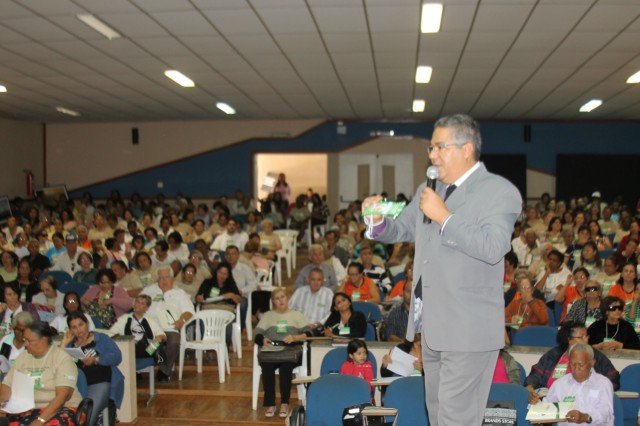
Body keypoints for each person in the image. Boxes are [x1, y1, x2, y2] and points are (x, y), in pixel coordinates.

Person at [362, 114, 522, 425]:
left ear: (466, 149)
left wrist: (445, 217)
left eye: (439, 147)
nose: (432, 155)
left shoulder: (498, 190)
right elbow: (401, 229)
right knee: (438, 416)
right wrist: (376, 222)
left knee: (455, 419)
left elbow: (493, 247)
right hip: (430, 326)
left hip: (469, 329)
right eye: (431, 147)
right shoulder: (429, 186)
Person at [0, 320, 83, 425]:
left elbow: (63, 396)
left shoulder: (62, 358)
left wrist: (40, 420)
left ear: (43, 340)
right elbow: (7, 386)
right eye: (25, 340)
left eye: (29, 341)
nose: (25, 344)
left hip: (63, 408)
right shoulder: (23, 357)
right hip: (28, 409)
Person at [253, 288, 310, 418]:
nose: (280, 300)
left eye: (282, 297)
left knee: (286, 368)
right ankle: (270, 404)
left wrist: (295, 338)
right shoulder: (268, 315)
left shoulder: (297, 315)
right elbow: (257, 333)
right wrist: (263, 339)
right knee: (266, 367)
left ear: (287, 297)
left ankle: (284, 402)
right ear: (273, 301)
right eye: (277, 298)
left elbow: (308, 333)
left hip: (290, 350)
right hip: (271, 350)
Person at [60, 311, 124, 426]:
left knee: (87, 416)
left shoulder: (101, 338)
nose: (79, 330)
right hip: (77, 386)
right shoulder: (71, 346)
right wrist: (64, 344)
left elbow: (117, 356)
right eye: (74, 327)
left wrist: (96, 360)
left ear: (87, 324)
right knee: (70, 416)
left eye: (81, 325)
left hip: (100, 381)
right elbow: (56, 363)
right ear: (70, 330)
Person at [524, 320, 619, 397]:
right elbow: (536, 373)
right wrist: (530, 386)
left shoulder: (595, 356)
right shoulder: (554, 354)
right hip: (551, 399)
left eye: (586, 336)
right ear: (569, 340)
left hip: (584, 401)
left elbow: (612, 378)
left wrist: (593, 391)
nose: (586, 340)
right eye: (581, 337)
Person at [528, 343, 614, 426]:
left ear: (592, 363)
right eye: (572, 364)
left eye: (581, 365)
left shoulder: (603, 383)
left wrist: (586, 417)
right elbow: (547, 408)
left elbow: (606, 413)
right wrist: (535, 402)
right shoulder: (560, 384)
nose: (576, 368)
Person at [140, 266, 194, 382]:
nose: (164, 280)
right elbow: (137, 307)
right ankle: (138, 368)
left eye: (167, 277)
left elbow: (189, 311)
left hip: (169, 328)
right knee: (141, 341)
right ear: (157, 280)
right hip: (149, 328)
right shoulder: (148, 291)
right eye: (161, 278)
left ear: (172, 279)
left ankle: (164, 370)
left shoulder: (179, 293)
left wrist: (182, 321)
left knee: (174, 341)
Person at [110, 295, 166, 359]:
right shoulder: (124, 318)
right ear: (134, 304)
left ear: (146, 308)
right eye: (137, 302)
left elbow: (162, 334)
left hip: (146, 349)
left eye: (142, 303)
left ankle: (153, 357)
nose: (138, 305)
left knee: (159, 341)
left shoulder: (150, 320)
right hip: (128, 347)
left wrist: (158, 339)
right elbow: (112, 332)